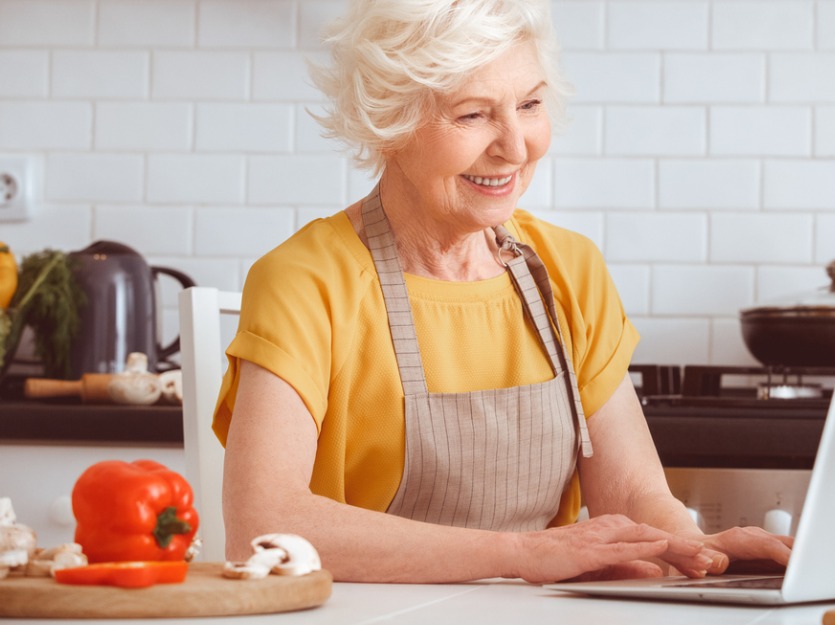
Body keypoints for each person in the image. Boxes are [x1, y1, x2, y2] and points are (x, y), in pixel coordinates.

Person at [213, 0, 791, 583]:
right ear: (391, 122)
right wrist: (521, 556)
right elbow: (262, 525)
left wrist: (700, 550)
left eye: (530, 105)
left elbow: (635, 496)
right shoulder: (306, 281)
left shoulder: (571, 269)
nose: (516, 147)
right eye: (473, 115)